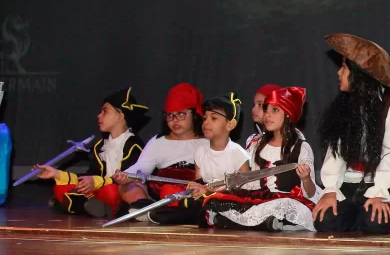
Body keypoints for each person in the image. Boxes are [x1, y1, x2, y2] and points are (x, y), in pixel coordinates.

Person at [313, 33, 390, 234]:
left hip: (381, 183)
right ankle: (357, 216)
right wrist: (330, 190)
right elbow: (336, 152)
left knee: (374, 222)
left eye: (344, 68)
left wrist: (379, 192)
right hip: (350, 184)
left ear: (360, 73)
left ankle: (366, 217)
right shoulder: (346, 102)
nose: (339, 73)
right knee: (324, 220)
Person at [203, 86, 319, 231]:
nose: (267, 115)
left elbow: (311, 193)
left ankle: (269, 223)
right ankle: (265, 223)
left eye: (274, 110)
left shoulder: (301, 148)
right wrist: (222, 188)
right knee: (218, 201)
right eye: (266, 109)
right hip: (261, 199)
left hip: (286, 199)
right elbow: (250, 181)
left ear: (288, 114)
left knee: (284, 205)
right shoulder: (256, 145)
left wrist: (306, 178)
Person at [37, 87, 148, 217]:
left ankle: (78, 206)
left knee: (111, 191)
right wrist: (57, 174)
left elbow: (127, 179)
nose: (99, 116)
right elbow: (91, 177)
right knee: (60, 188)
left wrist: (95, 181)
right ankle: (92, 207)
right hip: (101, 190)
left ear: (120, 116)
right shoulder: (100, 146)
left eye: (105, 111)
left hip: (120, 191)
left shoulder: (134, 145)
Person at [148, 92, 250, 225]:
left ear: (230, 125)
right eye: (205, 118)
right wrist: (196, 188)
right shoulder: (200, 152)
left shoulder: (238, 153)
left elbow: (244, 188)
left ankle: (208, 216)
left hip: (228, 198)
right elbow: (199, 181)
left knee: (209, 205)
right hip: (205, 198)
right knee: (178, 197)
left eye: (213, 118)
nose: (206, 122)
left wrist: (210, 191)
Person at [113, 83, 207, 219]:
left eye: (181, 114)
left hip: (191, 191)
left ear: (195, 114)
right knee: (128, 185)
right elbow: (142, 166)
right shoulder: (158, 141)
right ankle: (145, 209)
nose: (174, 120)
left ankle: (160, 213)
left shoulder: (207, 141)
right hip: (160, 192)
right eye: (170, 115)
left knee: (173, 191)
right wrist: (125, 176)